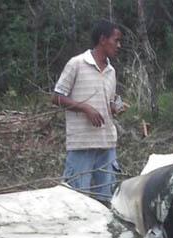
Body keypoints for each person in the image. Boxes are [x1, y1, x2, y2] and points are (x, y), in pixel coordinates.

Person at [52, 19, 125, 203]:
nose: (119, 45)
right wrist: (85, 108)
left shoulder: (111, 71)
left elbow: (108, 105)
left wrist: (115, 109)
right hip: (81, 144)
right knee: (77, 202)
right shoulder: (76, 64)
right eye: (115, 40)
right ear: (102, 39)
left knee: (106, 202)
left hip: (106, 144)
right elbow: (57, 97)